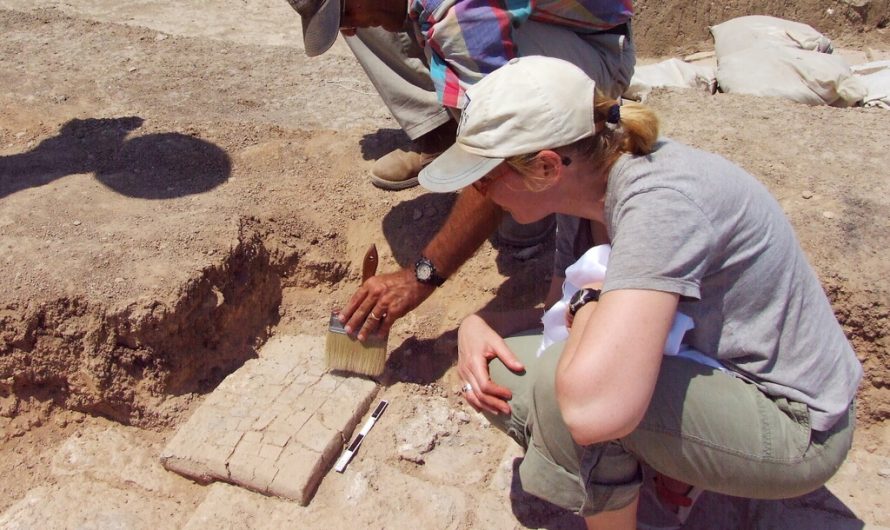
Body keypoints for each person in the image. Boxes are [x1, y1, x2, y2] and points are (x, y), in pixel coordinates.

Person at [416, 56, 862, 529]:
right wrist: (478, 324)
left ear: (546, 167)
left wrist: (590, 300)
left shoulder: (658, 204)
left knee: (558, 392)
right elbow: (556, 315)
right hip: (718, 370)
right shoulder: (586, 194)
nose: (479, 192)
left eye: (484, 177)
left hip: (798, 427)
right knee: (509, 369)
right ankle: (669, 469)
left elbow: (591, 409)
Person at [285, 0, 635, 340]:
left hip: (600, 48)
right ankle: (443, 133)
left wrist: (419, 278)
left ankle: (540, 179)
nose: (346, 26)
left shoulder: (458, 16)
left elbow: (503, 143)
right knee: (390, 27)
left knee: (511, 183)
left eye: (344, 12)